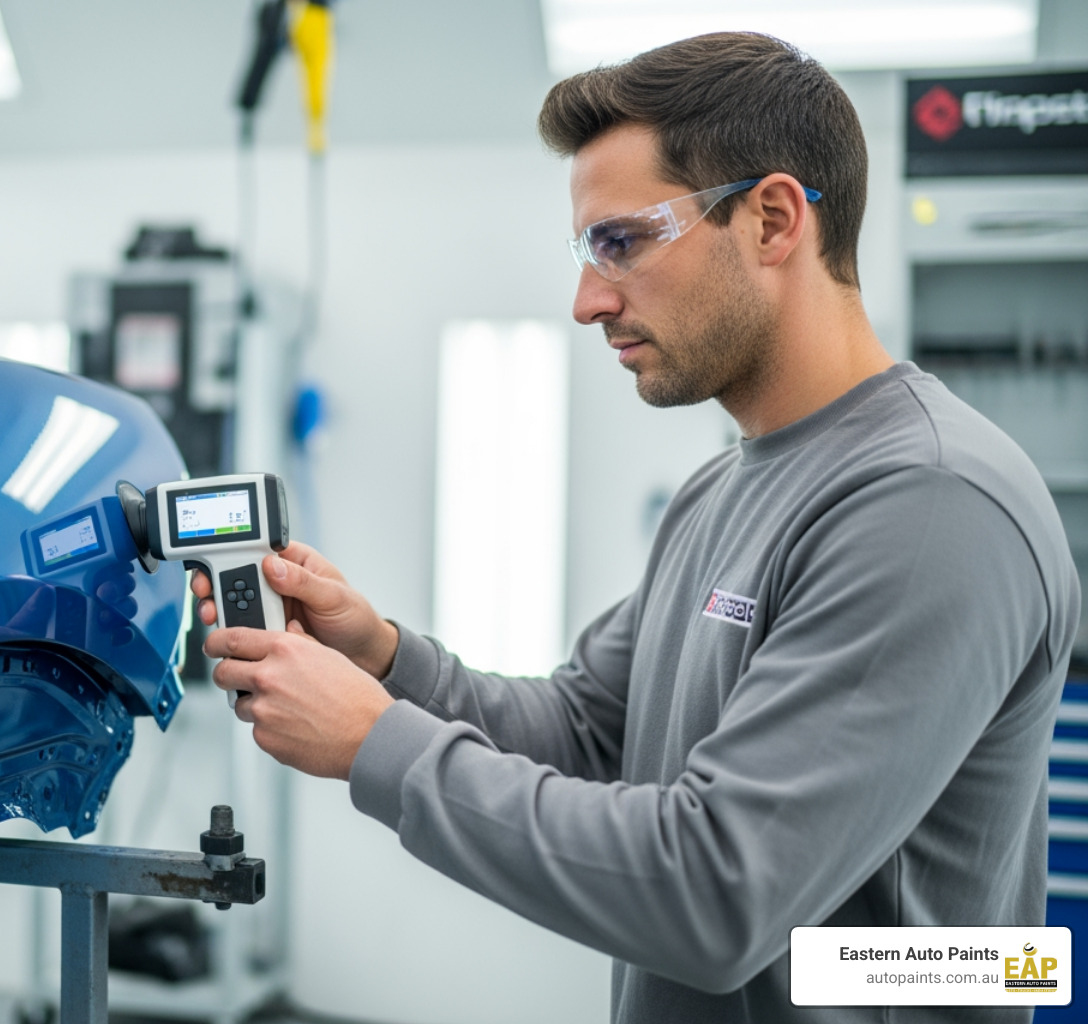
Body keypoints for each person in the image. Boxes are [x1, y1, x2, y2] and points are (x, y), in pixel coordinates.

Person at [190, 31, 1081, 1023]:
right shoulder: (721, 490)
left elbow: (716, 892)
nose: (587, 300)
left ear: (772, 219)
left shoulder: (931, 501)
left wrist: (374, 742)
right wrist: (383, 660)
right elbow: (584, 727)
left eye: (621, 242)